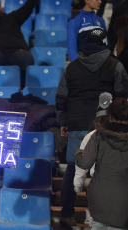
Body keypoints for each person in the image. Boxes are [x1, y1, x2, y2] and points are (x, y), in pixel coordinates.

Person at [55, 28, 128, 226]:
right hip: (105, 124)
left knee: (73, 167)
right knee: (105, 171)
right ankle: (103, 219)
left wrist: (63, 122)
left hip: (77, 122)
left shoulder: (73, 67)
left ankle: (67, 214)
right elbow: (123, 97)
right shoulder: (115, 65)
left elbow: (61, 96)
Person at [75, 97, 128, 229]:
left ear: (109, 116)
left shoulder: (98, 135)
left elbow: (84, 162)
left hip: (99, 198)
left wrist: (78, 152)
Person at [0, 0, 37, 88]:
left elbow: (27, 8)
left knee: (25, 57)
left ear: (0, 8)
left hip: (17, 52)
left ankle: (24, 88)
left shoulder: (12, 18)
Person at [73, 92, 112, 193]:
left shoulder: (92, 136)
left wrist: (78, 185)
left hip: (100, 182)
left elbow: (83, 164)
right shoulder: (123, 135)